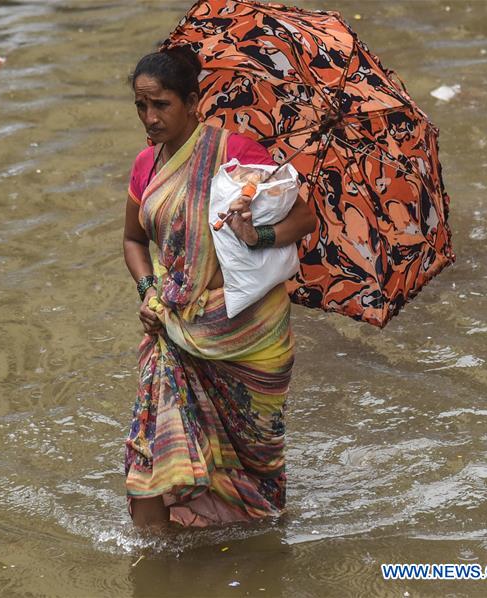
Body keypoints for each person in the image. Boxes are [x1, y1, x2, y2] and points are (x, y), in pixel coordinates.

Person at [123, 47, 317, 529]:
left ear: (192, 101)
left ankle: (244, 559)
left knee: (254, 481)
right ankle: (156, 564)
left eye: (161, 105)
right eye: (141, 106)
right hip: (174, 331)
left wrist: (259, 233)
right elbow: (133, 240)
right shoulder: (146, 166)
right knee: (152, 458)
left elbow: (304, 218)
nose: (149, 118)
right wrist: (150, 291)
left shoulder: (237, 155)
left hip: (248, 340)